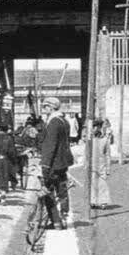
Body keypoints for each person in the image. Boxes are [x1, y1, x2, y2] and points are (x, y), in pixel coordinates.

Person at [39, 97, 73, 230]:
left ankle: (56, 221)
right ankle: (64, 217)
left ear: (51, 107)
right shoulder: (64, 121)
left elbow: (50, 146)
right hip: (63, 163)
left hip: (53, 163)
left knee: (47, 192)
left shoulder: (53, 122)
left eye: (45, 107)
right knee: (62, 191)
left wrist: (45, 165)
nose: (44, 109)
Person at [90, 119, 112, 209]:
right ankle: (93, 201)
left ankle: (103, 202)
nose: (96, 129)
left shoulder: (105, 140)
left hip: (102, 165)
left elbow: (107, 155)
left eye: (98, 127)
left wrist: (108, 169)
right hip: (92, 165)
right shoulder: (90, 140)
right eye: (94, 127)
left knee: (102, 184)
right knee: (92, 183)